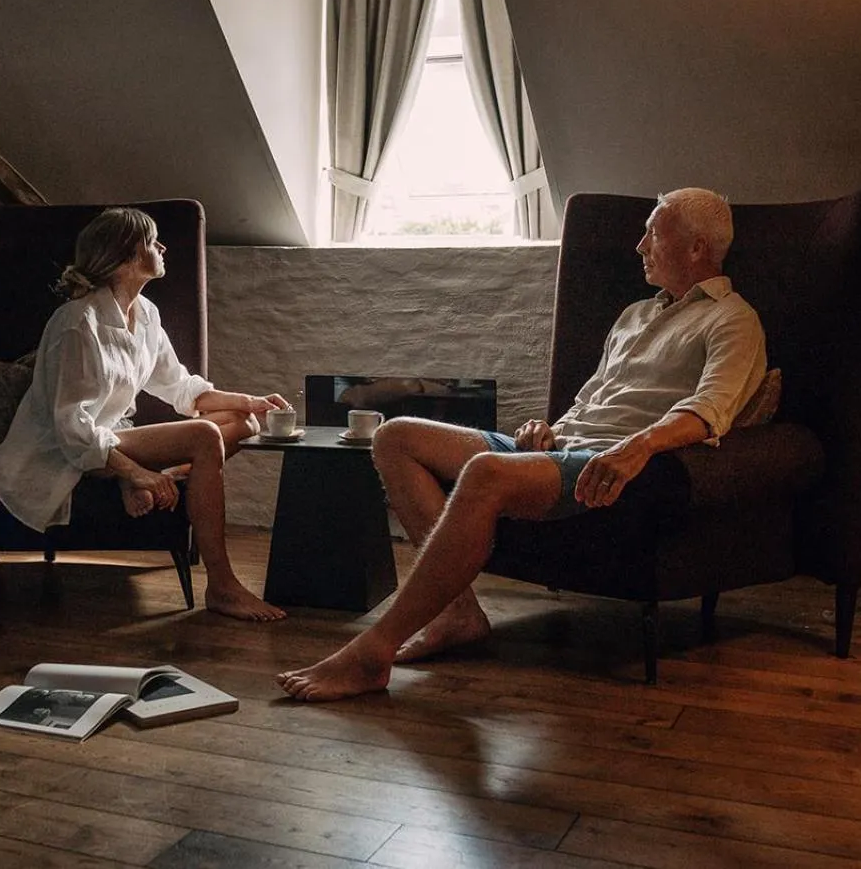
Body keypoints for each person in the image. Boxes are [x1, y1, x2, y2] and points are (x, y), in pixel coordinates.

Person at [277, 188, 766, 699]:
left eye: (654, 234)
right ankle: (458, 613)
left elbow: (711, 411)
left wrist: (637, 447)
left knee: (485, 471)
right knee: (395, 437)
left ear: (697, 248)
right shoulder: (634, 315)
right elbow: (591, 398)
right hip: (559, 448)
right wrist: (546, 428)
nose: (640, 245)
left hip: (609, 462)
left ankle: (372, 652)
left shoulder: (732, 318)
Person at [0, 207, 290, 621]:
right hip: (61, 455)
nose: (162, 247)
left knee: (244, 424)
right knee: (205, 436)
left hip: (112, 437)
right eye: (152, 241)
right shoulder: (79, 323)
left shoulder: (146, 314)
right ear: (126, 257)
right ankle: (222, 586)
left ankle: (166, 476)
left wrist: (249, 400)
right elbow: (71, 427)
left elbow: (178, 386)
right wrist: (135, 472)